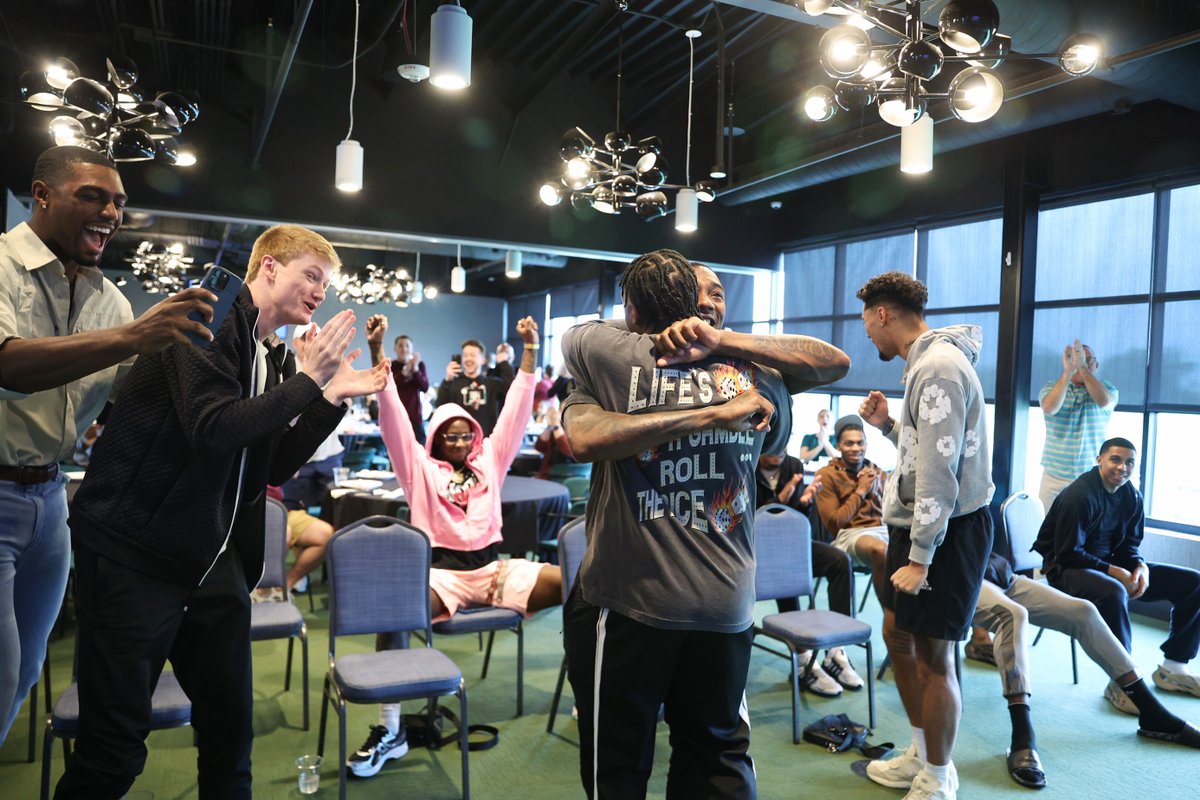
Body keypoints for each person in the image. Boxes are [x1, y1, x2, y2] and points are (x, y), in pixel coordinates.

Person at [55, 225, 388, 799]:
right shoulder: (206, 316)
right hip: (136, 555)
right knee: (113, 750)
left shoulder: (268, 352)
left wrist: (329, 395)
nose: (319, 293)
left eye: (325, 283)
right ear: (267, 269)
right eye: (310, 275)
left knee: (230, 734)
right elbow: (213, 430)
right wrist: (310, 379)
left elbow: (272, 465)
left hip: (211, 562)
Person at [560, 248, 850, 800]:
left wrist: (723, 343)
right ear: (670, 303)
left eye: (720, 292)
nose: (710, 300)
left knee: (710, 762)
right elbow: (583, 437)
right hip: (631, 600)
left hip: (720, 608)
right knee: (624, 767)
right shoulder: (615, 357)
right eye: (699, 291)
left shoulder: (759, 374)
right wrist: (713, 413)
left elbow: (835, 361)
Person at [0, 145, 219, 746]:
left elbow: (140, 400)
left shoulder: (108, 299)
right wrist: (133, 335)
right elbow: (8, 365)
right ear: (43, 196)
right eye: (93, 196)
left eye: (119, 202)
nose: (111, 212)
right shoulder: (1, 265)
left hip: (50, 503)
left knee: (23, 672)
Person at [349, 315, 563, 778]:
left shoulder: (490, 461)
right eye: (452, 435)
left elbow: (515, 411)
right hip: (442, 576)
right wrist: (378, 349)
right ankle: (391, 729)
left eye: (468, 433)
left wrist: (530, 349)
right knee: (394, 610)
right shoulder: (420, 470)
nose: (462, 440)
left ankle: (593, 696)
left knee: (578, 584)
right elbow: (393, 420)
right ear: (436, 439)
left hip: (495, 571)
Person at [856, 271, 994, 800]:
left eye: (867, 319)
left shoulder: (937, 367)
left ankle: (939, 776)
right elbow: (928, 452)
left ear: (884, 313)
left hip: (945, 532)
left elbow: (940, 474)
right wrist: (890, 426)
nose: (866, 331)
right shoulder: (927, 364)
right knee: (898, 635)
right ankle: (921, 750)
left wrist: (920, 556)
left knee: (937, 657)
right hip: (922, 522)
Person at [973, 549, 1200, 789]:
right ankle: (1022, 735)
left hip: (996, 573)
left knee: (1084, 611)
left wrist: (1139, 565)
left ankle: (1150, 711)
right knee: (1013, 614)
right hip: (951, 578)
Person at [1033, 437, 1200, 698]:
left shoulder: (1131, 496)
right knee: (1114, 591)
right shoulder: (1078, 496)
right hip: (1065, 570)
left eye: (1129, 462)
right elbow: (1067, 553)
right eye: (1115, 459)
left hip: (1109, 564)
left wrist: (1140, 567)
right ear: (1099, 459)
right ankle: (1123, 681)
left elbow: (1128, 548)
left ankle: (1174, 667)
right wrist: (1116, 572)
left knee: (1193, 581)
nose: (1122, 467)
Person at [814, 414, 891, 610]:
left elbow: (891, 513)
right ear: (838, 445)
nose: (856, 448)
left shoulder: (877, 471)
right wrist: (861, 491)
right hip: (850, 536)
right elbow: (834, 523)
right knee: (880, 550)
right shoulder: (827, 474)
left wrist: (877, 491)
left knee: (926, 550)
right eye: (849, 444)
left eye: (860, 443)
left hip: (884, 531)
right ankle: (893, 618)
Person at [1037, 340, 1117, 512]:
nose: (1082, 363)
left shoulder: (1107, 389)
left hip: (1089, 476)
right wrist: (1068, 371)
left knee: (1085, 530)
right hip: (1054, 476)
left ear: (1096, 364)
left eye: (1088, 360)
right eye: (1077, 358)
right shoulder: (1052, 387)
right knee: (1049, 530)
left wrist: (1082, 368)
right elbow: (1050, 407)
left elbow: (1104, 401)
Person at [436, 338, 513, 435]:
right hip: (460, 441)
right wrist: (447, 381)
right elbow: (440, 407)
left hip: (486, 442)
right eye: (465, 355)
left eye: (472, 355)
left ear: (483, 360)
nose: (468, 359)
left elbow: (512, 389)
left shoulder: (492, 384)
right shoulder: (453, 383)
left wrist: (504, 363)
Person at [368, 327, 428, 444]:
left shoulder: (419, 365)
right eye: (400, 346)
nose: (404, 349)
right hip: (395, 418)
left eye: (407, 346)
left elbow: (424, 387)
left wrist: (415, 369)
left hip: (415, 418)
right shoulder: (391, 366)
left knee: (420, 451)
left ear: (411, 349)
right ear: (395, 348)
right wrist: (405, 372)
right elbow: (389, 386)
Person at [534, 403, 576, 480]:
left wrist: (556, 424)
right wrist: (550, 425)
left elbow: (568, 451)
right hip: (548, 475)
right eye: (561, 410)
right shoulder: (557, 428)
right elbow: (539, 447)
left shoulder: (577, 429)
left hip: (567, 476)